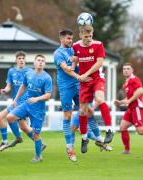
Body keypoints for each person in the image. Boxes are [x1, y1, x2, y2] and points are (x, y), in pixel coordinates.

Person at [54, 29, 108, 161]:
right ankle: (69, 148)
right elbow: (66, 69)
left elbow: (83, 61)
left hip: (79, 84)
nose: (70, 41)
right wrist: (80, 77)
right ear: (61, 39)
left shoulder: (75, 49)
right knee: (67, 115)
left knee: (87, 110)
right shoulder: (58, 53)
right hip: (66, 87)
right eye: (68, 38)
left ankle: (99, 139)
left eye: (71, 38)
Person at [73, 25, 114, 153]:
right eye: (86, 36)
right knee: (83, 111)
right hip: (84, 83)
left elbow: (100, 63)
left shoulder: (98, 45)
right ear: (80, 35)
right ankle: (85, 138)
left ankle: (109, 130)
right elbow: (73, 61)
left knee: (100, 98)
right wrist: (73, 65)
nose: (89, 38)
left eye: (90, 35)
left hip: (97, 78)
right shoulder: (75, 46)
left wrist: (86, 73)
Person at [6, 54, 52, 163]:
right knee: (10, 117)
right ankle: (18, 138)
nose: (40, 62)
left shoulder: (47, 77)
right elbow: (23, 86)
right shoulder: (28, 73)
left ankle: (38, 156)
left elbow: (48, 95)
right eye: (38, 60)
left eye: (42, 61)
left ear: (44, 64)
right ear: (34, 63)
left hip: (38, 109)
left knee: (36, 134)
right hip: (26, 104)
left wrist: (37, 98)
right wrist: (16, 99)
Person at [0, 51, 39, 151]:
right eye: (19, 58)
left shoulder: (30, 72)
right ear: (16, 60)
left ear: (25, 60)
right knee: (24, 127)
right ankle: (39, 143)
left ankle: (6, 141)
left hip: (24, 103)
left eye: (23, 58)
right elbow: (9, 85)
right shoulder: (11, 71)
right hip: (16, 101)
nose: (21, 60)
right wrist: (5, 90)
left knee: (1, 117)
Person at [114, 63, 143, 154]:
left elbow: (140, 91)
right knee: (123, 127)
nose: (126, 70)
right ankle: (127, 150)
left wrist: (129, 101)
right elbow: (130, 97)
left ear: (132, 70)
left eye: (128, 69)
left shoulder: (134, 79)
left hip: (137, 108)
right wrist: (121, 102)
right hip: (131, 108)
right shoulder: (126, 82)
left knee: (141, 131)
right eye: (124, 69)